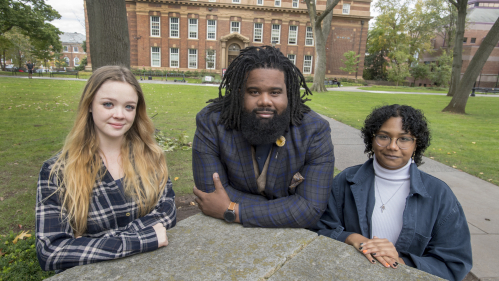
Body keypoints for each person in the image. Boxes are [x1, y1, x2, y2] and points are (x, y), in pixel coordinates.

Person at [36, 66, 176, 271]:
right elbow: (51, 251)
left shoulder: (151, 157)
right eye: (108, 104)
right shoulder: (57, 171)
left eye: (129, 107)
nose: (120, 114)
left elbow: (167, 214)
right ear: (90, 105)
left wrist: (88, 242)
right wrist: (140, 239)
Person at [310, 104, 472, 281]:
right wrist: (352, 238)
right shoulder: (344, 181)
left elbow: (454, 263)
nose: (392, 146)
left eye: (404, 139)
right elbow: (318, 229)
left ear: (416, 143)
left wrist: (401, 263)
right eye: (383, 137)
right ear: (371, 139)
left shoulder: (439, 194)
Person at [192, 46, 335, 228]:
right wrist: (288, 207)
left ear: (289, 94)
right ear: (239, 93)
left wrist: (234, 210)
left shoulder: (315, 130)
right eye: (254, 92)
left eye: (275, 92)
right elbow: (210, 193)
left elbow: (310, 207)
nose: (265, 101)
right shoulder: (211, 122)